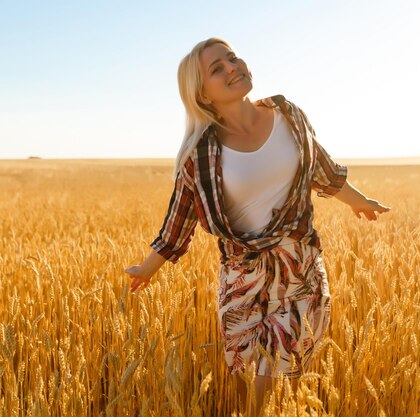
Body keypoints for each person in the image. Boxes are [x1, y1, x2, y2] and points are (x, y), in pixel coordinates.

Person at [124, 37, 391, 416]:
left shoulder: (288, 117)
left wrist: (360, 201)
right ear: (201, 94)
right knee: (253, 390)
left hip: (299, 274)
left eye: (232, 58)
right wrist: (146, 268)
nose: (233, 66)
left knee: (273, 383)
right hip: (241, 285)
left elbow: (322, 170)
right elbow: (178, 219)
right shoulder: (200, 154)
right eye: (217, 68)